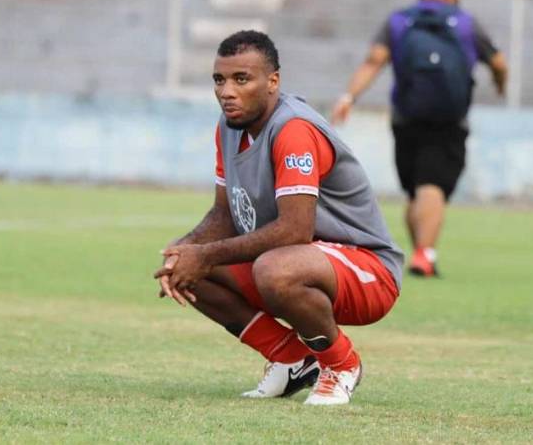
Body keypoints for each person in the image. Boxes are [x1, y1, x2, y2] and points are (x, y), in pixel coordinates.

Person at [154, 30, 403, 405]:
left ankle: (341, 364)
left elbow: (295, 230)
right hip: (298, 262)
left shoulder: (294, 130)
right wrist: (186, 251)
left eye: (241, 79)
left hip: (368, 271)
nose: (227, 91)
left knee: (273, 268)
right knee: (187, 264)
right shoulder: (229, 126)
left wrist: (205, 254)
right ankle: (290, 359)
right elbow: (225, 213)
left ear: (272, 82)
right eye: (219, 80)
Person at [331, 0, 508, 278]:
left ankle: (422, 254)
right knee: (434, 185)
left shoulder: (399, 21)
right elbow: (499, 62)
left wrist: (348, 97)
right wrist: (500, 83)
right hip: (449, 119)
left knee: (416, 190)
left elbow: (374, 61)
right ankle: (424, 254)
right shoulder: (465, 23)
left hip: (406, 117)